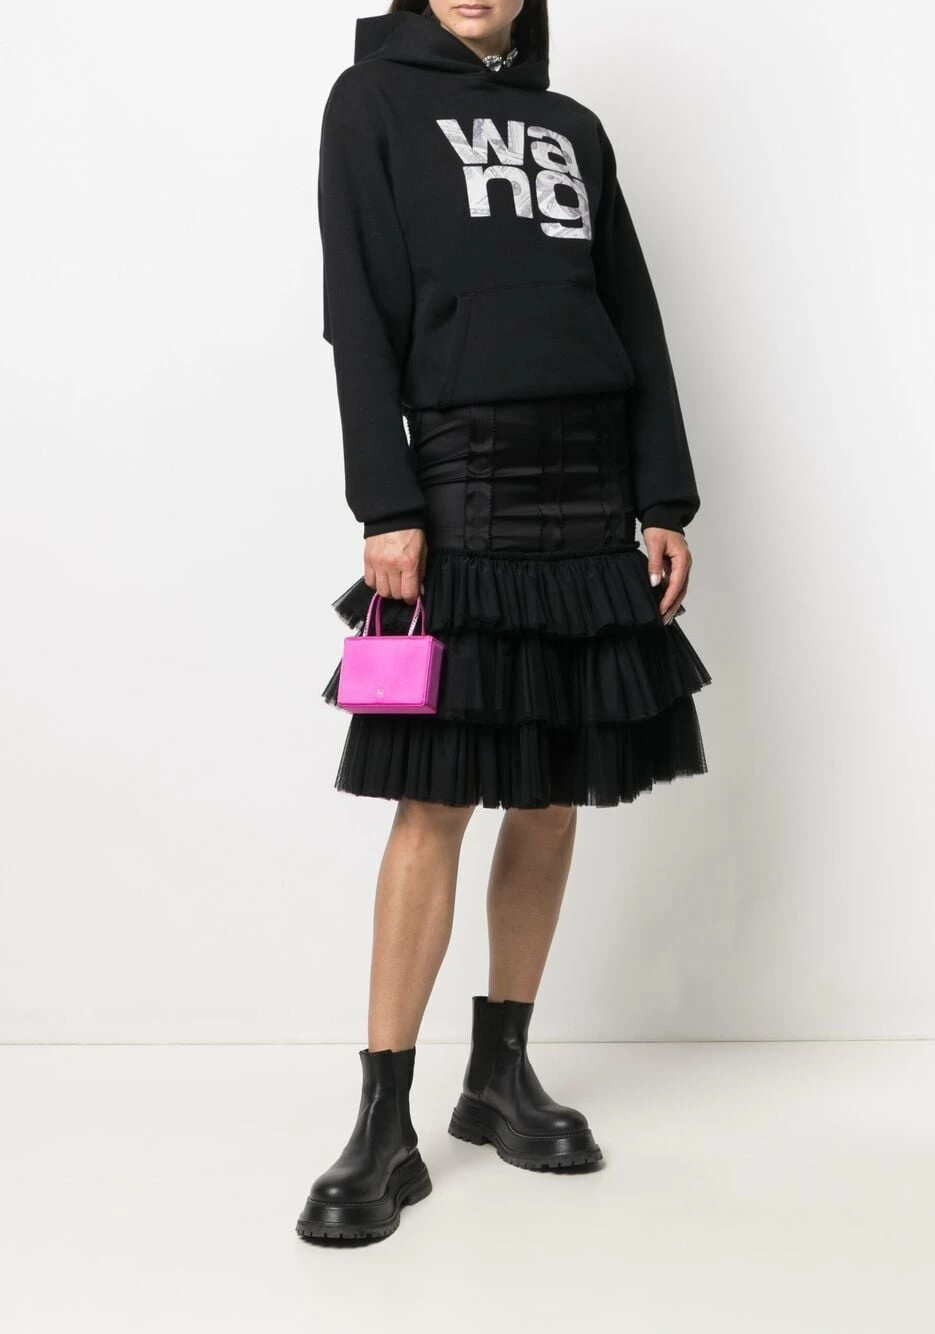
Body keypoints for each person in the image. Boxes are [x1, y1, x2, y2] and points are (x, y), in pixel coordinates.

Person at [297, 0, 712, 1243]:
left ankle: (500, 1074)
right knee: (436, 795)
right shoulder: (371, 101)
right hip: (463, 478)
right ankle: (382, 1120)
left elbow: (632, 310)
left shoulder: (571, 125)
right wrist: (385, 500)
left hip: (590, 482)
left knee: (551, 790)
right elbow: (356, 307)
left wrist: (663, 497)